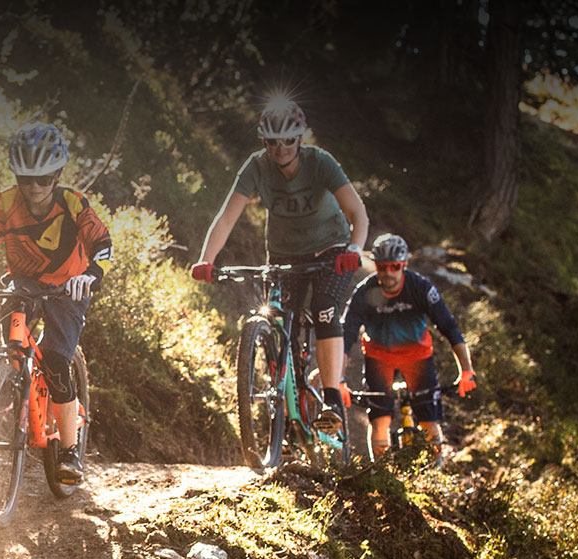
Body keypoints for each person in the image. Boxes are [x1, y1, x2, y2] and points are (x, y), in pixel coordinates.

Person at [0, 121, 113, 485]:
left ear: (57, 175)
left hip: (69, 286)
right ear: (16, 177)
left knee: (55, 358)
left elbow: (102, 241)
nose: (34, 188)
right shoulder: (6, 203)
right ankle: (10, 384)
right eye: (25, 180)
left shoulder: (72, 203)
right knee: (10, 340)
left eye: (44, 180)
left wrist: (92, 274)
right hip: (25, 282)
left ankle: (69, 451)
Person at [191, 98, 370, 435]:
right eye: (272, 142)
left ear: (300, 139)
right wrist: (206, 260)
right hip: (286, 254)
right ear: (264, 143)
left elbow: (357, 213)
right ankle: (285, 418)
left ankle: (331, 399)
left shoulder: (321, 163)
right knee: (277, 320)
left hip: (332, 249)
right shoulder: (256, 167)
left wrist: (355, 250)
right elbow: (228, 215)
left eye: (288, 140)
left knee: (324, 309)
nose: (281, 149)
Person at [340, 233, 476, 461]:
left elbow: (448, 327)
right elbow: (346, 337)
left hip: (417, 357)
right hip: (379, 357)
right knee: (380, 418)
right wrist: (339, 379)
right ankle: (381, 470)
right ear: (376, 266)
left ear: (403, 265)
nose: (389, 273)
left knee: (428, 418)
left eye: (395, 267)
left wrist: (466, 370)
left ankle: (435, 469)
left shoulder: (420, 287)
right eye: (383, 267)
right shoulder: (364, 292)